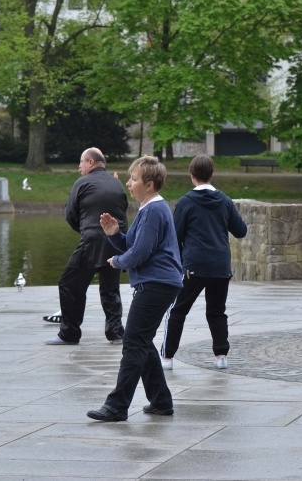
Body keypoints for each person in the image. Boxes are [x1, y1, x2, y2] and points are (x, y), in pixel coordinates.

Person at [86, 155, 183, 422]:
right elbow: (134, 244)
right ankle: (162, 401)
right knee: (140, 340)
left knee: (133, 342)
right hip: (159, 283)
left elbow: (139, 253)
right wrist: (114, 233)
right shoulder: (149, 209)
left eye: (134, 179)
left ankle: (117, 406)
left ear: (149, 184)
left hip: (157, 284)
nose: (129, 183)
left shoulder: (153, 210)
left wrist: (117, 261)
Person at [160, 155, 247, 370]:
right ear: (212, 174)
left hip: (194, 266)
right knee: (217, 311)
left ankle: (167, 357)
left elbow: (174, 235)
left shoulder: (186, 202)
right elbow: (241, 231)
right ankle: (221, 356)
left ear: (192, 176)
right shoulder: (225, 201)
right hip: (220, 265)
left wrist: (181, 259)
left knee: (178, 310)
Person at [46, 148, 128, 345]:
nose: (79, 167)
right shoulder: (116, 183)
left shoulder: (82, 183)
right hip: (117, 240)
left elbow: (70, 214)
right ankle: (116, 333)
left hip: (92, 240)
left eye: (81, 162)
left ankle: (69, 333)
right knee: (110, 288)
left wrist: (86, 232)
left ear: (91, 162)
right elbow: (123, 210)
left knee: (69, 284)